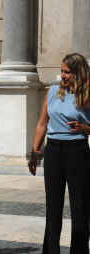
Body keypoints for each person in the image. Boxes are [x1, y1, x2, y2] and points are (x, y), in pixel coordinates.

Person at [28, 53, 90, 253]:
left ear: (78, 73)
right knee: (53, 208)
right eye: (62, 71)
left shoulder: (87, 94)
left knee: (79, 208)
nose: (62, 75)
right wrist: (35, 152)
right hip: (53, 150)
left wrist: (82, 127)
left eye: (67, 72)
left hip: (77, 151)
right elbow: (42, 123)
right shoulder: (54, 90)